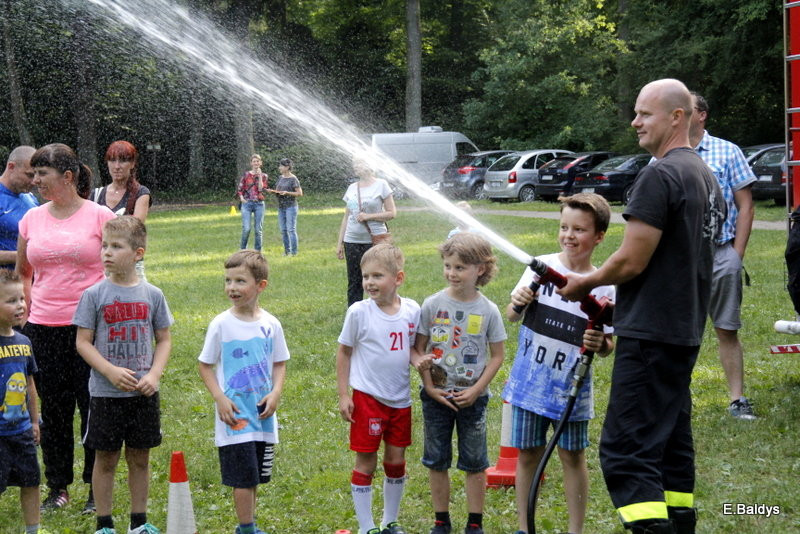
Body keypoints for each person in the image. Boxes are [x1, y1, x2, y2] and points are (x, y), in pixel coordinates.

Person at [557, 79, 724, 534]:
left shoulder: (661, 174)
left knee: (626, 451)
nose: (634, 122)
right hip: (681, 332)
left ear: (678, 117)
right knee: (669, 446)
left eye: (644, 114)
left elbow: (632, 259)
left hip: (651, 337)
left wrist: (585, 282)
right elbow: (677, 265)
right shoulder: (706, 178)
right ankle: (680, 523)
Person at [503, 193, 616, 534]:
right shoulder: (540, 265)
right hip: (529, 381)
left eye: (579, 229)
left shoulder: (605, 283)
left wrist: (602, 343)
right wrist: (518, 302)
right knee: (527, 454)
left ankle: (575, 530)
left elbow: (608, 344)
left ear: (598, 236)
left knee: (572, 456)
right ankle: (525, 527)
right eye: (564, 227)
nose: (569, 235)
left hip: (572, 388)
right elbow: (510, 316)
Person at [16, 143, 116, 514]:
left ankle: (96, 488)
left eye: (42, 173)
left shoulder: (100, 217)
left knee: (92, 407)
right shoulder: (32, 219)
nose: (35, 180)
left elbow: (117, 270)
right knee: (54, 412)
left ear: (68, 177)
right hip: (43, 327)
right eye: (34, 172)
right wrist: (25, 315)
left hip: (90, 329)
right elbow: (24, 272)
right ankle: (58, 486)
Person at [73, 216, 173, 534]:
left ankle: (138, 521)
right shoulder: (94, 295)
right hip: (106, 393)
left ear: (138, 253)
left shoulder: (153, 295)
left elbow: (164, 339)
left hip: (143, 394)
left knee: (140, 458)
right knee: (106, 458)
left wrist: (154, 374)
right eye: (104, 246)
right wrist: (109, 371)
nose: (107, 252)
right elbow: (82, 342)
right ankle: (104, 524)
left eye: (116, 246)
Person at [414, 233, 506, 534]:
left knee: (475, 462)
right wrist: (428, 386)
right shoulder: (431, 305)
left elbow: (497, 356)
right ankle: (441, 521)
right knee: (437, 460)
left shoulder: (488, 310)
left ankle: (474, 524)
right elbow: (419, 349)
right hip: (436, 397)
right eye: (448, 266)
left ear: (480, 269)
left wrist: (476, 390)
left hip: (473, 400)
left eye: (460, 268)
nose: (452, 273)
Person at [198, 250, 289, 534]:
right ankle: (247, 528)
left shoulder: (270, 324)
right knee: (241, 477)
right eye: (228, 281)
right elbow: (205, 366)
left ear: (261, 285)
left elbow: (280, 363)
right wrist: (220, 398)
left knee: (254, 476)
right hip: (234, 416)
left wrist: (275, 393)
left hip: (262, 414)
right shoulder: (221, 324)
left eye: (240, 281)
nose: (231, 288)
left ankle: (248, 525)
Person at [336, 244, 421, 534]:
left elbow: (410, 349)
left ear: (398, 278)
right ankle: (366, 526)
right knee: (366, 461)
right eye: (366, 276)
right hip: (368, 398)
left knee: (396, 461)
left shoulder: (412, 310)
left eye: (377, 276)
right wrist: (344, 394)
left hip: (401, 401)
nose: (369, 283)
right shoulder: (358, 312)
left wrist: (421, 360)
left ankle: (390, 521)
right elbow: (344, 352)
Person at [688, 92, 757, 420]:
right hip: (682, 260)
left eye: (684, 107)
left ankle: (737, 400)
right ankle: (675, 400)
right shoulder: (664, 153)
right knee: (678, 331)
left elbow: (746, 204)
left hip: (720, 254)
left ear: (701, 114)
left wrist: (736, 254)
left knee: (726, 329)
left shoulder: (727, 151)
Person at [0, 270, 46, 533]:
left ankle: (33, 529)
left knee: (31, 481)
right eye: (10, 300)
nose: (19, 305)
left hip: (21, 430)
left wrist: (34, 421)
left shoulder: (24, 342)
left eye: (21, 298)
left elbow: (30, 385)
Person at [337, 158, 396, 307]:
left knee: (378, 276)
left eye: (360, 163)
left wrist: (369, 216)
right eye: (354, 164)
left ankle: (380, 308)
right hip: (352, 241)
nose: (356, 166)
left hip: (375, 240)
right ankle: (354, 313)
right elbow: (346, 217)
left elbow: (391, 213)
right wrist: (340, 243)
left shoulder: (381, 185)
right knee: (354, 280)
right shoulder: (352, 188)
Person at [92, 141, 152, 280]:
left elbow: (133, 230)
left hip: (130, 265)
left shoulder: (141, 193)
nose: (117, 166)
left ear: (132, 164)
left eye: (123, 160)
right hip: (100, 264)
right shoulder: (96, 194)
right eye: (112, 160)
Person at [0, 146, 37, 268]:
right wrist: (24, 256)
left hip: (31, 281)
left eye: (36, 175)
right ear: (11, 167)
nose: (34, 182)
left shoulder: (30, 198)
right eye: (29, 175)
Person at [266, 157, 303, 256]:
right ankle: (287, 252)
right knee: (283, 230)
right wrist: (273, 191)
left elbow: (299, 193)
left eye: (281, 166)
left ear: (287, 167)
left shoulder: (293, 179)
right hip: (281, 207)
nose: (279, 168)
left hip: (291, 207)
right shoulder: (280, 178)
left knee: (291, 229)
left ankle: (294, 253)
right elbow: (278, 191)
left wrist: (287, 193)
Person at [238, 154, 268, 251]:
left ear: (261, 163)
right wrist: (241, 198)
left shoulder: (264, 176)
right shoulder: (246, 174)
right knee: (246, 229)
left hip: (259, 204)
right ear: (251, 163)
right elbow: (240, 188)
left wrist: (259, 177)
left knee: (258, 230)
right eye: (254, 161)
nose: (256, 163)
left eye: (258, 161)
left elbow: (261, 189)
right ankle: (243, 250)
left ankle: (258, 251)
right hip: (247, 204)